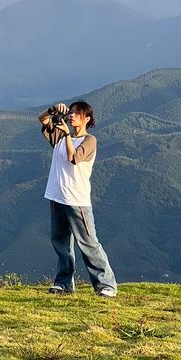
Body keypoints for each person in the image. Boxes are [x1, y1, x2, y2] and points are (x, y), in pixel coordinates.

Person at [38, 101, 117, 298]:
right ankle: (64, 284)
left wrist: (66, 135)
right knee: (61, 244)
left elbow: (74, 158)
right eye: (71, 112)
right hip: (57, 197)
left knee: (89, 243)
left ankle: (106, 285)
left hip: (77, 200)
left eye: (77, 113)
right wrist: (53, 110)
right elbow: (42, 119)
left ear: (87, 119)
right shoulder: (59, 137)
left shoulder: (89, 141)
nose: (72, 116)